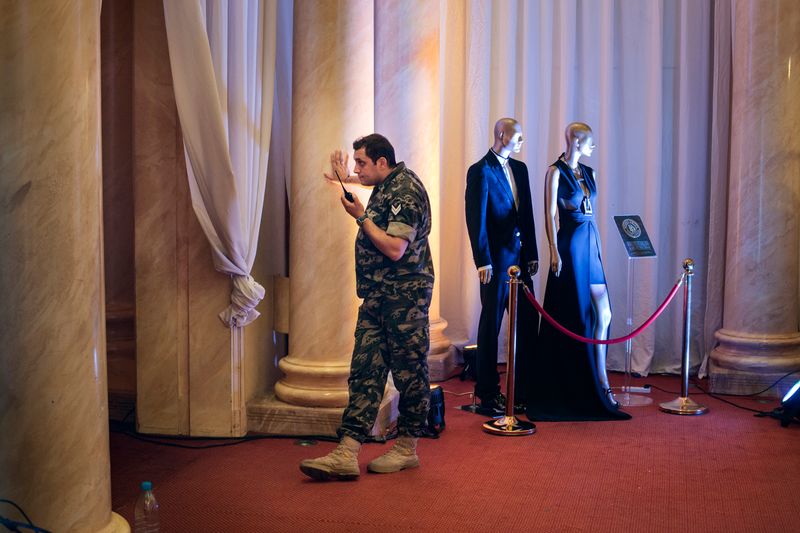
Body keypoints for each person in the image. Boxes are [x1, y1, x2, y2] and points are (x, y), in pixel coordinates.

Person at [300, 134, 434, 480]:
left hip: (405, 301)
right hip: (377, 299)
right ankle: (347, 450)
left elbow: (394, 248)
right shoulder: (385, 185)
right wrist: (341, 178)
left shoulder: (405, 191)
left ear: (382, 162)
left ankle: (407, 447)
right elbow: (366, 195)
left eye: (361, 163)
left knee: (409, 375)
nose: (357, 169)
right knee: (364, 373)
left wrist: (360, 218)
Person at [526, 122, 630, 421]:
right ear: (577, 141)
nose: (593, 147)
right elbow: (549, 213)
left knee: (605, 313)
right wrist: (554, 250)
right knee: (576, 313)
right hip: (569, 245)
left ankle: (601, 377)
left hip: (590, 241)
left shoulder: (590, 173)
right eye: (590, 142)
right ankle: (590, 381)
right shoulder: (554, 172)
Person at [465, 118, 539, 416]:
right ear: (502, 134)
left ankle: (522, 391)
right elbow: (476, 219)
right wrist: (482, 260)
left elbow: (528, 213)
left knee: (527, 324)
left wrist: (532, 253)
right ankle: (487, 393)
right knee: (490, 326)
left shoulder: (520, 169)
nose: (522, 141)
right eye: (518, 136)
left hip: (519, 261)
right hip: (495, 263)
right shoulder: (480, 170)